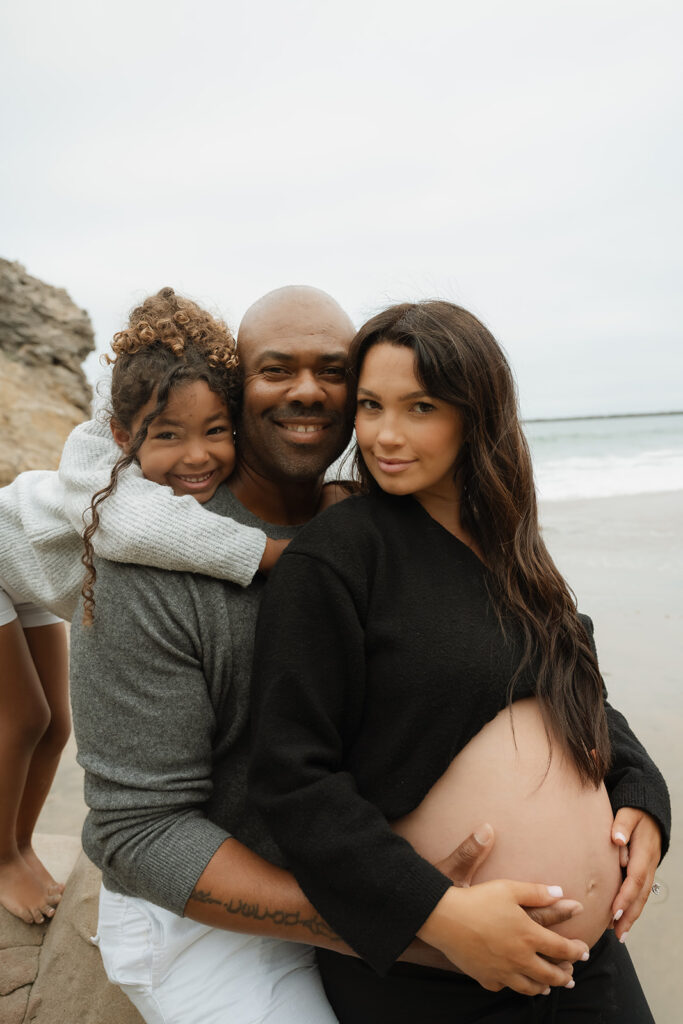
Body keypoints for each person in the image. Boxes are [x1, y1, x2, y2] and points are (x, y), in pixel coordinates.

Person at [69, 285, 591, 1024]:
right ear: (232, 387)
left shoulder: (375, 526)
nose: (307, 391)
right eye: (276, 369)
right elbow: (138, 830)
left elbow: (534, 660)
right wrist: (410, 916)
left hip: (368, 883)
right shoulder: (151, 563)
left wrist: (635, 792)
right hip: (205, 931)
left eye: (333, 370)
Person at [248, 300, 671, 1022]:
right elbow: (292, 779)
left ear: (475, 414)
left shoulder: (512, 548)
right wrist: (438, 911)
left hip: (588, 970)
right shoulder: (340, 555)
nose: (385, 435)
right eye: (372, 406)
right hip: (430, 978)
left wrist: (643, 797)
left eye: (420, 407)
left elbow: (580, 693)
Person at [0, 287, 284, 925]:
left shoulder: (155, 442)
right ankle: (2, 859)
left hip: (26, 572)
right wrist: (275, 555)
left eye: (217, 431)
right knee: (21, 718)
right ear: (127, 433)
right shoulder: (100, 469)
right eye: (171, 435)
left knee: (55, 724)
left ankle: (19, 840)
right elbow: (130, 531)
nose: (197, 453)